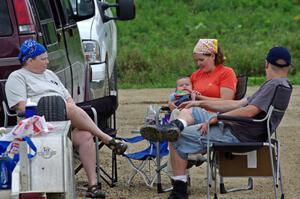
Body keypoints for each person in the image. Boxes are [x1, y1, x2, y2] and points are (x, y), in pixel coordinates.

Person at [141, 46, 293, 199]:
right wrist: (200, 104)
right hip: (240, 128)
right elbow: (238, 104)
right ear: (289, 67)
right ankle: (175, 125)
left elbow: (249, 111)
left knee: (176, 137)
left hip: (237, 133)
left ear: (266, 64)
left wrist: (219, 118)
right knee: (191, 112)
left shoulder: (273, 85)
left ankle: (179, 192)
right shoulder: (282, 84)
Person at [5, 39, 127, 198]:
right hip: (36, 128)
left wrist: (63, 108)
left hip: (63, 122)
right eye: (43, 59)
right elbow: (21, 107)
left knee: (85, 136)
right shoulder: (17, 77)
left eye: (47, 58)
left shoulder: (49, 74)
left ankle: (93, 186)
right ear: (29, 60)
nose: (47, 62)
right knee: (66, 107)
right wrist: (53, 106)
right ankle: (106, 138)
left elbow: (69, 100)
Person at [168, 39, 237, 111]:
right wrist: (171, 102)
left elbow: (226, 102)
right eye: (196, 60)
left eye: (201, 60)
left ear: (212, 56)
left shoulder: (226, 72)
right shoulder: (195, 75)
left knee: (184, 113)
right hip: (193, 112)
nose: (198, 64)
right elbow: (184, 92)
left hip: (215, 114)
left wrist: (199, 98)